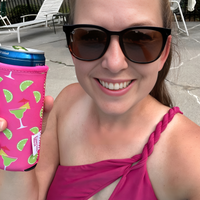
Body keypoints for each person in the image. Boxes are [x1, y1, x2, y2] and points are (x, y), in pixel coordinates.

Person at [1, 0, 200, 199]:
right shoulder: (66, 104)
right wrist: (13, 150)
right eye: (90, 37)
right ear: (71, 45)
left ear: (163, 53)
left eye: (139, 38)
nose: (114, 63)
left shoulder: (192, 159)